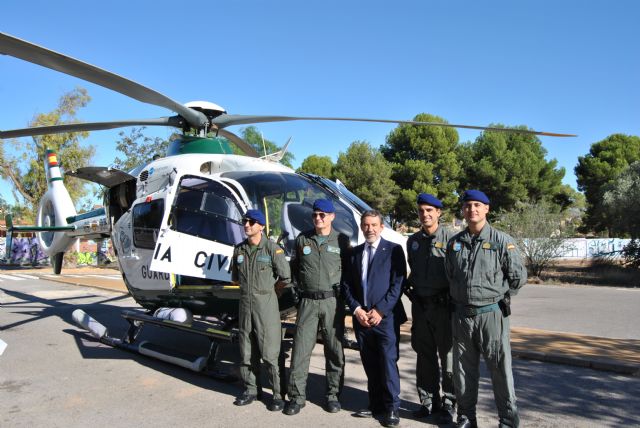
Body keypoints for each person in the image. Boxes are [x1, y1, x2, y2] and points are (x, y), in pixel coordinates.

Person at [445, 190, 527, 428]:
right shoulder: (455, 243)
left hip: (491, 315)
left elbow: (518, 278)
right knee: (462, 372)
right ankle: (466, 417)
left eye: (477, 205)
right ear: (463, 210)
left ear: (487, 209)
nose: (472, 209)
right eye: (468, 205)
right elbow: (450, 276)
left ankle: (508, 420)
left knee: (500, 371)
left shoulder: (502, 241)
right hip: (462, 316)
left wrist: (498, 298)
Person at [283, 199, 350, 416]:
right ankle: (296, 397)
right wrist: (295, 293)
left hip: (333, 303)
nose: (318, 218)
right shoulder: (303, 239)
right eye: (315, 215)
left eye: (322, 214)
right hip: (308, 303)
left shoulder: (341, 240)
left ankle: (332, 396)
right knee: (301, 350)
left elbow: (349, 272)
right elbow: (293, 270)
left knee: (334, 350)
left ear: (332, 216)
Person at [342, 210, 406, 428]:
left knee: (388, 363)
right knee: (370, 363)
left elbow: (398, 284)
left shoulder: (394, 250)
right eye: (366, 225)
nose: (369, 229)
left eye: (374, 225)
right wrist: (357, 309)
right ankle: (375, 404)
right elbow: (347, 285)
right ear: (362, 227)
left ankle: (392, 408)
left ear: (381, 227)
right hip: (362, 318)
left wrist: (380, 310)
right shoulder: (354, 253)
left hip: (385, 318)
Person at [232, 209, 291, 412]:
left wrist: (271, 292)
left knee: (270, 352)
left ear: (261, 226)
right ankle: (251, 390)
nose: (246, 224)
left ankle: (277, 394)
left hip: (266, 305)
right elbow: (235, 278)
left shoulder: (272, 249)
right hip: (245, 305)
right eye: (245, 221)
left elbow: (285, 277)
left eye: (251, 222)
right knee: (246, 351)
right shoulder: (239, 250)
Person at [405, 193, 455, 421]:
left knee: (448, 358)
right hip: (421, 307)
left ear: (438, 213)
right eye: (421, 211)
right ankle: (428, 402)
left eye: (429, 211)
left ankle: (449, 404)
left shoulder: (453, 240)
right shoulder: (412, 241)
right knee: (424, 356)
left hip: (444, 308)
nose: (425, 215)